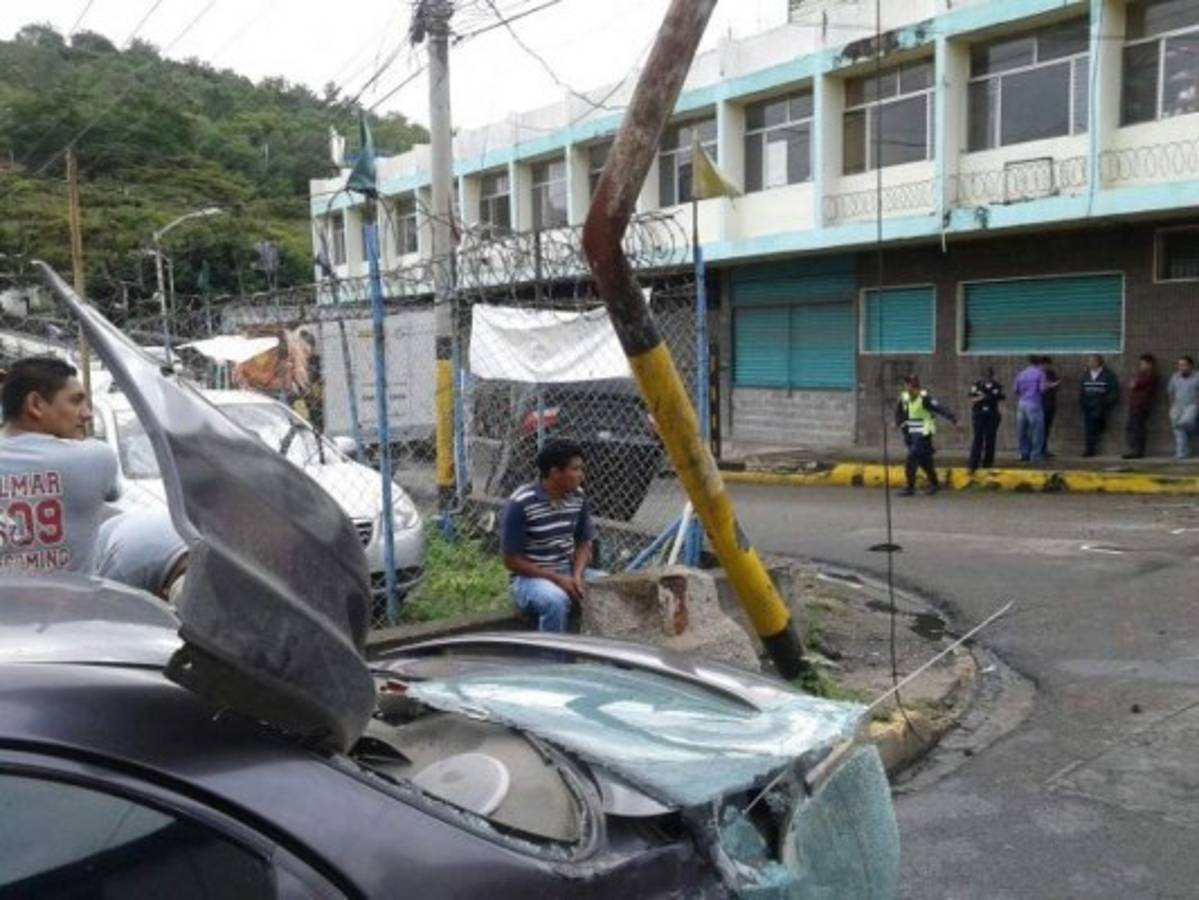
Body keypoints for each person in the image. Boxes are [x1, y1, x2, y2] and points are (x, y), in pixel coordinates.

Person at [0, 357, 118, 576]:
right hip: (73, 608)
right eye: (76, 401)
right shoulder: (96, 459)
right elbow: (113, 493)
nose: (87, 413)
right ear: (35, 405)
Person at [500, 439, 595, 632]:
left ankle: (602, 657)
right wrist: (557, 579)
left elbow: (584, 542)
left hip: (568, 571)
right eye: (575, 469)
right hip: (529, 578)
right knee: (555, 601)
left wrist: (576, 575)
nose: (581, 476)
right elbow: (511, 561)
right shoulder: (521, 503)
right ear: (554, 473)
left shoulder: (578, 497)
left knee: (608, 588)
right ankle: (552, 661)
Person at [895, 374, 957, 497]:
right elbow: (900, 413)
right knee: (925, 462)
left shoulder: (925, 398)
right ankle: (935, 484)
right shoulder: (904, 397)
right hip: (911, 434)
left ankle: (910, 487)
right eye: (907, 385)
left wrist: (954, 419)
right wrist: (897, 423)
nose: (909, 388)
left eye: (912, 386)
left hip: (923, 433)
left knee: (911, 458)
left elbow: (940, 408)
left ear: (916, 387)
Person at [1079, 354, 1119, 457]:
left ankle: (1093, 442)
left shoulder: (1108, 375)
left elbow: (1114, 391)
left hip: (1100, 405)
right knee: (1088, 428)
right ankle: (1089, 449)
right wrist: (1082, 402)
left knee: (1095, 425)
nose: (1089, 363)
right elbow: (1082, 390)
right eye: (1089, 361)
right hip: (1088, 405)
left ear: (1098, 362)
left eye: (1091, 361)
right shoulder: (1086, 375)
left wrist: (1106, 403)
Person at [967, 368, 1005, 473]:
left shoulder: (997, 386)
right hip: (979, 414)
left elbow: (1000, 398)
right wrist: (981, 397)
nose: (987, 379)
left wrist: (987, 397)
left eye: (989, 377)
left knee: (990, 437)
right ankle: (973, 463)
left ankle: (988, 462)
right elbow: (972, 399)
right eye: (985, 377)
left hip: (992, 414)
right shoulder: (976, 385)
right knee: (978, 438)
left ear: (992, 376)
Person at [1123, 354, 1159, 460]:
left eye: (1143, 364)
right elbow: (1131, 384)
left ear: (1149, 364)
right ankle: (1134, 449)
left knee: (1138, 428)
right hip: (1135, 404)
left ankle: (1138, 451)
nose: (1141, 366)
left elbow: (1134, 384)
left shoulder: (1151, 375)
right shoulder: (1142, 374)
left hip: (1141, 405)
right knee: (1132, 427)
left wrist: (1135, 382)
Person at [1013, 356, 1048, 463]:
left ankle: (1023, 454)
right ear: (1040, 363)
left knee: (1022, 430)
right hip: (1034, 404)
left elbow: (1015, 390)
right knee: (1037, 431)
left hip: (1021, 404)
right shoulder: (1040, 373)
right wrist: (1049, 385)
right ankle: (1035, 455)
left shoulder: (1022, 373)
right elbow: (1042, 389)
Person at [1168, 355, 1199, 460]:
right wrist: (1172, 405)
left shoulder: (1197, 376)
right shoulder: (1175, 376)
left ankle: (1195, 430)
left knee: (1184, 423)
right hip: (1178, 405)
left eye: (1184, 365)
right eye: (1180, 365)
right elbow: (1170, 391)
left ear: (1191, 366)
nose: (1181, 368)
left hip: (1192, 405)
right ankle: (1181, 453)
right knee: (1178, 429)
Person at [1039, 356, 1061, 458]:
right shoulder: (1036, 374)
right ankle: (1038, 450)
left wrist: (1053, 385)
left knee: (1046, 428)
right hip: (1039, 404)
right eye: (1045, 365)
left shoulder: (1051, 374)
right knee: (1038, 429)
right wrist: (1049, 385)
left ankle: (1043, 449)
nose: (1046, 367)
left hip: (1050, 404)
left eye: (1048, 365)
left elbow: (1057, 386)